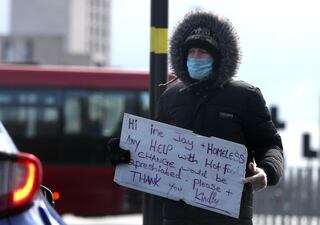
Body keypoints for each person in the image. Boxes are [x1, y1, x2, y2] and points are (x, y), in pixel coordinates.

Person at [107, 11, 283, 225]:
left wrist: (267, 171)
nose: (196, 58)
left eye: (203, 52)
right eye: (192, 52)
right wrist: (124, 151)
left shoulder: (246, 96)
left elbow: (270, 144)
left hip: (229, 218)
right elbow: (154, 149)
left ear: (218, 58)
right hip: (178, 217)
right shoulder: (170, 97)